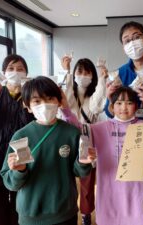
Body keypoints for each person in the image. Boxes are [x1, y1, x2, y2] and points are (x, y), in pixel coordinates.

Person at [0, 76, 95, 225]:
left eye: (50, 98)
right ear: (28, 106)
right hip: (31, 215)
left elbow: (80, 172)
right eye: (37, 101)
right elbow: (10, 183)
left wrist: (83, 163)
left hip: (65, 213)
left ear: (59, 101)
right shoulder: (21, 136)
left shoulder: (71, 133)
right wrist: (18, 171)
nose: (44, 105)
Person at [63, 86, 143, 225]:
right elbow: (76, 127)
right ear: (111, 107)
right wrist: (65, 109)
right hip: (109, 190)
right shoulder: (99, 128)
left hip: (137, 191)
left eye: (129, 103)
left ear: (136, 106)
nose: (124, 107)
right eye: (118, 103)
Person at [0, 54, 34, 225]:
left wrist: (28, 108)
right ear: (3, 72)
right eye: (11, 68)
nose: (15, 72)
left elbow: (34, 129)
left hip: (20, 159)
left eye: (20, 69)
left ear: (26, 73)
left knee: (20, 209)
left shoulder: (30, 96)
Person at [61, 56, 107, 225]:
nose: (83, 75)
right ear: (74, 74)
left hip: (87, 139)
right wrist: (66, 71)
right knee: (65, 178)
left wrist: (102, 79)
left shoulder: (94, 94)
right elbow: (65, 102)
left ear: (92, 76)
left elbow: (97, 106)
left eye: (87, 72)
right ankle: (67, 210)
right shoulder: (70, 92)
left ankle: (86, 213)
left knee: (87, 180)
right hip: (66, 137)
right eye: (79, 71)